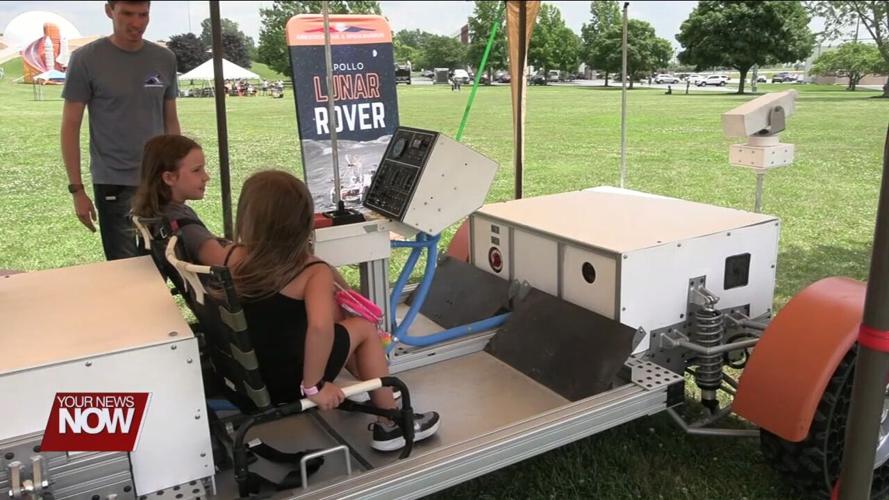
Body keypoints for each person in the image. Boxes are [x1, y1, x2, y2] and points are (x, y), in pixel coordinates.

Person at [225, 170, 440, 452]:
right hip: (293, 382)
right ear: (303, 222)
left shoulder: (234, 256)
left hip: (256, 374)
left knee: (343, 322)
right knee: (362, 327)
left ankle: (371, 386)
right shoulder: (312, 272)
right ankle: (391, 422)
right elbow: (319, 328)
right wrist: (313, 387)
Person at [61, 0, 180, 261]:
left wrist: (179, 174)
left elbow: (171, 121)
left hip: (157, 179)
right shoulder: (86, 59)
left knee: (164, 262)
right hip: (113, 181)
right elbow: (70, 126)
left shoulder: (164, 58)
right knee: (124, 268)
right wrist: (77, 190)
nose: (136, 23)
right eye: (127, 13)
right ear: (109, 11)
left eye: (143, 14)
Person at [131, 135, 231, 265]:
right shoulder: (182, 225)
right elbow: (224, 263)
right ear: (169, 178)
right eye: (196, 170)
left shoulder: (161, 213)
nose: (206, 177)